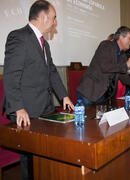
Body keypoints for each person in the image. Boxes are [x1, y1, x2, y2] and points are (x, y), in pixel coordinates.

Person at [2, 1, 74, 179]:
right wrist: (18, 107)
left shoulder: (44, 44)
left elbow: (52, 72)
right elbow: (11, 76)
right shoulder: (18, 37)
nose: (56, 22)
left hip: (45, 106)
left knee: (46, 152)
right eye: (54, 18)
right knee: (30, 158)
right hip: (25, 108)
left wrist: (64, 96)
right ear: (43, 17)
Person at [77, 26, 130, 105]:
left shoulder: (122, 55)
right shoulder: (106, 45)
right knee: (85, 117)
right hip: (90, 92)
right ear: (121, 37)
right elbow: (105, 67)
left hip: (104, 95)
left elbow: (124, 77)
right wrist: (126, 65)